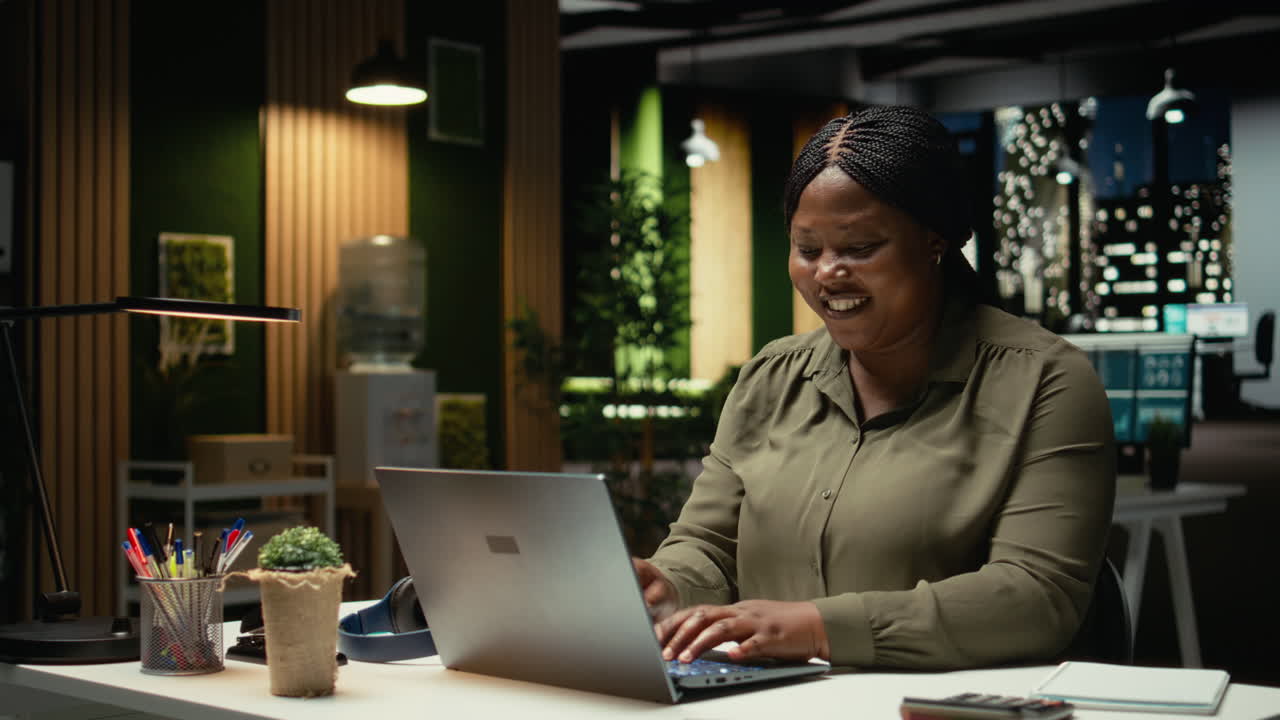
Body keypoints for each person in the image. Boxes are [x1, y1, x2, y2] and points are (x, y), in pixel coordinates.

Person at [632, 105, 1116, 670]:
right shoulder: (770, 379)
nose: (828, 272)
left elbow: (1038, 597)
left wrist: (820, 629)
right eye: (807, 249)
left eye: (860, 248)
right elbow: (709, 547)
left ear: (935, 242)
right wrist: (668, 586)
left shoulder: (1046, 382)